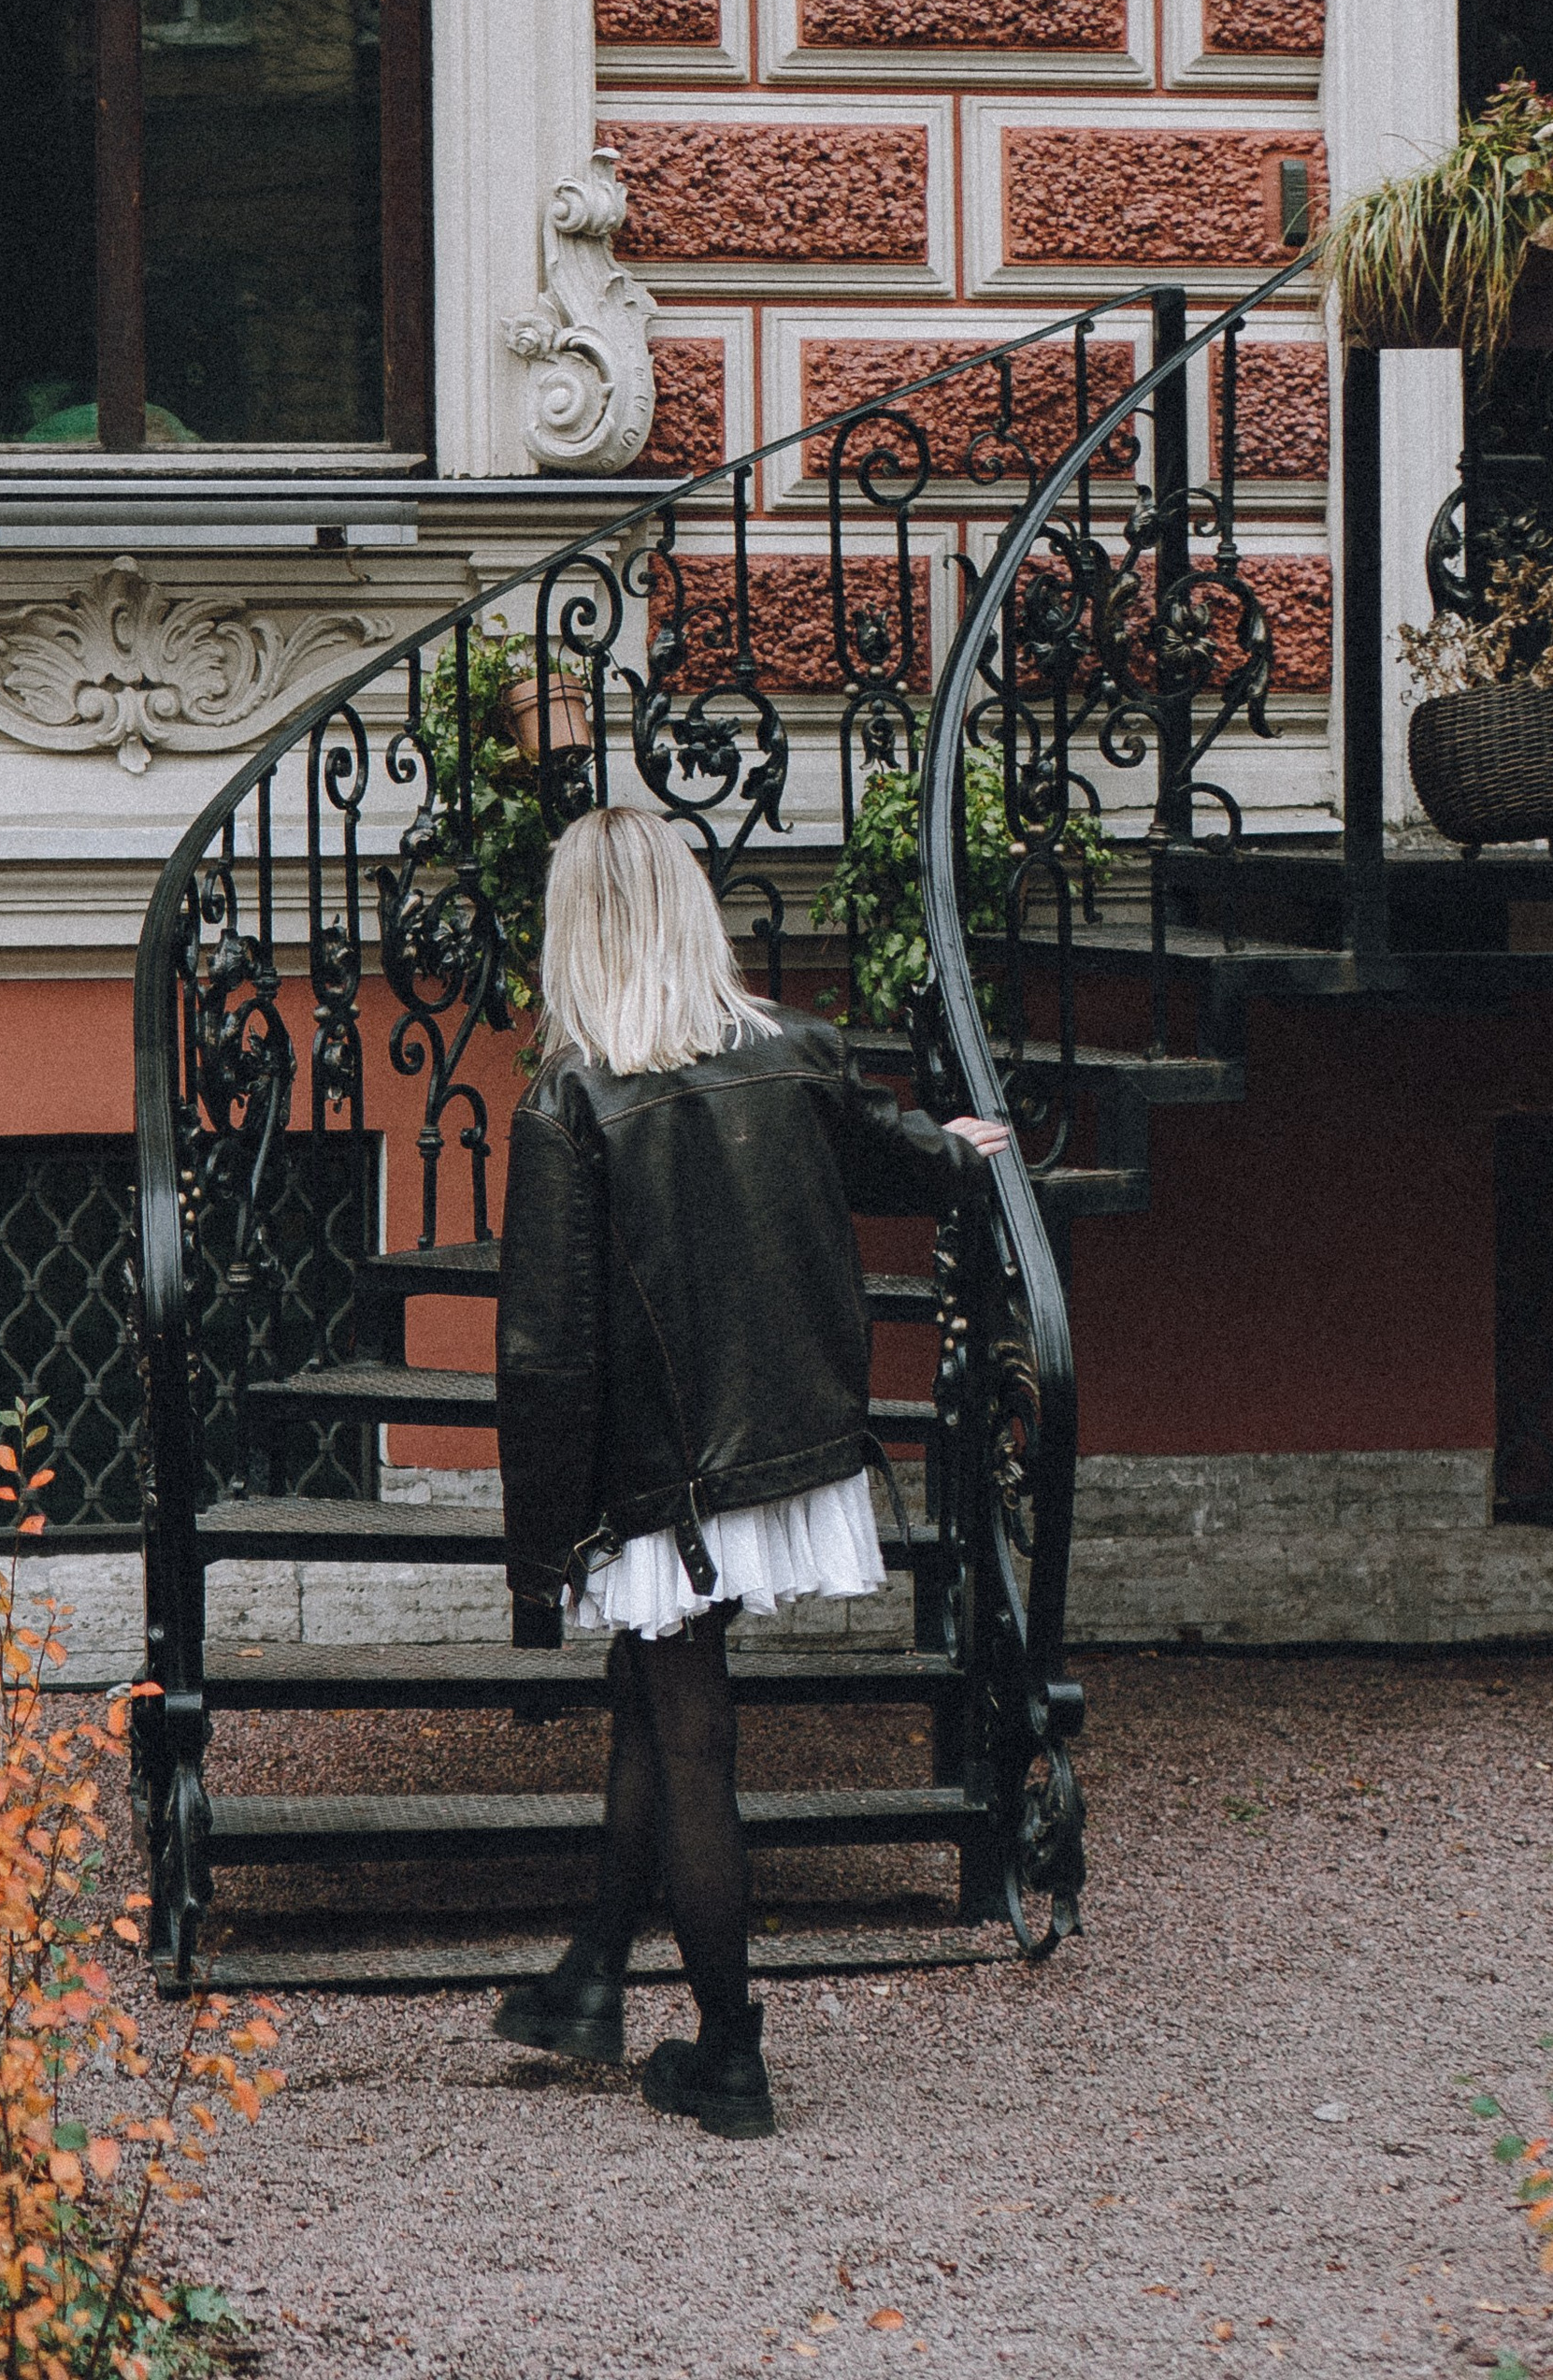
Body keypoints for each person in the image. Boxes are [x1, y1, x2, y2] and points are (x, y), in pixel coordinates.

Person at [489, 804, 1012, 2139]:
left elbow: (547, 1362)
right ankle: (596, 1979)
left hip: (668, 1482)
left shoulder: (571, 1102)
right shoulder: (797, 1053)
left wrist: (541, 1563)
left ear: (578, 930)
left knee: (692, 1737)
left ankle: (730, 2053)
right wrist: (968, 1153)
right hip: (780, 1447)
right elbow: (907, 1159)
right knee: (649, 1707)